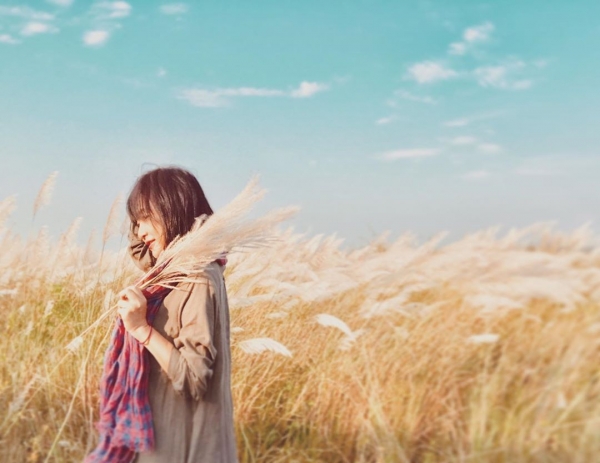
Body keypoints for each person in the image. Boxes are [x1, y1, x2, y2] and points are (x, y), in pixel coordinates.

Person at [88, 166, 238, 463]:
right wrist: (144, 214)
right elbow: (140, 248)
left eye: (146, 218)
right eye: (137, 221)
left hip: (183, 446)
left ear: (173, 208)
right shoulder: (172, 270)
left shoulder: (197, 276)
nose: (141, 231)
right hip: (165, 437)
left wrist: (140, 329)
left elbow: (194, 377)